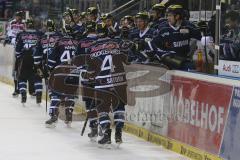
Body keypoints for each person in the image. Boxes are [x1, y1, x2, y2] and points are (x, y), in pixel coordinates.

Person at [85, 23, 128, 146]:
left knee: (102, 110)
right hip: (118, 81)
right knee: (119, 108)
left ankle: (107, 133)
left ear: (97, 33)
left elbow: (90, 71)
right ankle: (118, 132)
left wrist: (90, 78)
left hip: (102, 83)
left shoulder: (91, 48)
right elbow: (127, 59)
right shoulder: (117, 44)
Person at [45, 23, 78, 128]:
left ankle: (53, 116)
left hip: (61, 73)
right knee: (71, 94)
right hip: (74, 73)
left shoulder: (59, 42)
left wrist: (49, 68)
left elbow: (51, 59)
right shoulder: (78, 43)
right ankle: (69, 114)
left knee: (55, 94)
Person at [150, 5, 202, 70]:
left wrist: (203, 30)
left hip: (184, 60)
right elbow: (153, 44)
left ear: (177, 16)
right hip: (167, 62)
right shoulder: (162, 27)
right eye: (167, 15)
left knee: (192, 71)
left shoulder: (189, 26)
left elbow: (200, 39)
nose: (168, 18)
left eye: (170, 15)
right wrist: (164, 55)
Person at [74, 21, 98, 141]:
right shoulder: (101, 41)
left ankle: (93, 126)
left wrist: (82, 70)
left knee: (89, 102)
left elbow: (76, 60)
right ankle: (104, 126)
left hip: (86, 77)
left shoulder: (81, 42)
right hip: (100, 77)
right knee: (100, 102)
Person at [15, 18, 43, 104]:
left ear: (26, 25)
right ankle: (38, 94)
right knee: (37, 77)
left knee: (22, 77)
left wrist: (19, 58)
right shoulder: (40, 34)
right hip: (36, 59)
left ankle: (23, 93)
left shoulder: (21, 34)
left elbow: (17, 50)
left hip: (24, 58)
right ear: (34, 25)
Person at [4, 11, 26, 97]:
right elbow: (9, 32)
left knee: (22, 70)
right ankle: (16, 89)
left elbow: (26, 33)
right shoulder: (12, 22)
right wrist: (7, 39)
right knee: (16, 70)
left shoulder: (24, 23)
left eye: (18, 16)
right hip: (15, 48)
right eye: (16, 16)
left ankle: (22, 88)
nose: (17, 17)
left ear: (21, 17)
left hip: (22, 48)